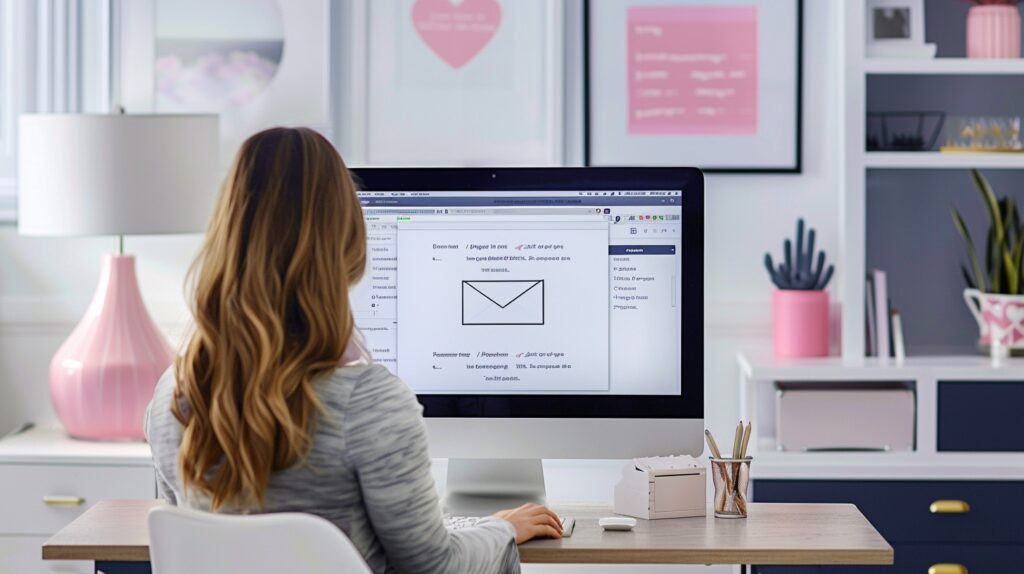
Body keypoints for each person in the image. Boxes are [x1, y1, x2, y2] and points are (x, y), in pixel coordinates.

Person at [145, 127, 562, 573]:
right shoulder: (368, 403)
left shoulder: (175, 395)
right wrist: (500, 529)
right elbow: (435, 566)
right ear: (347, 241)